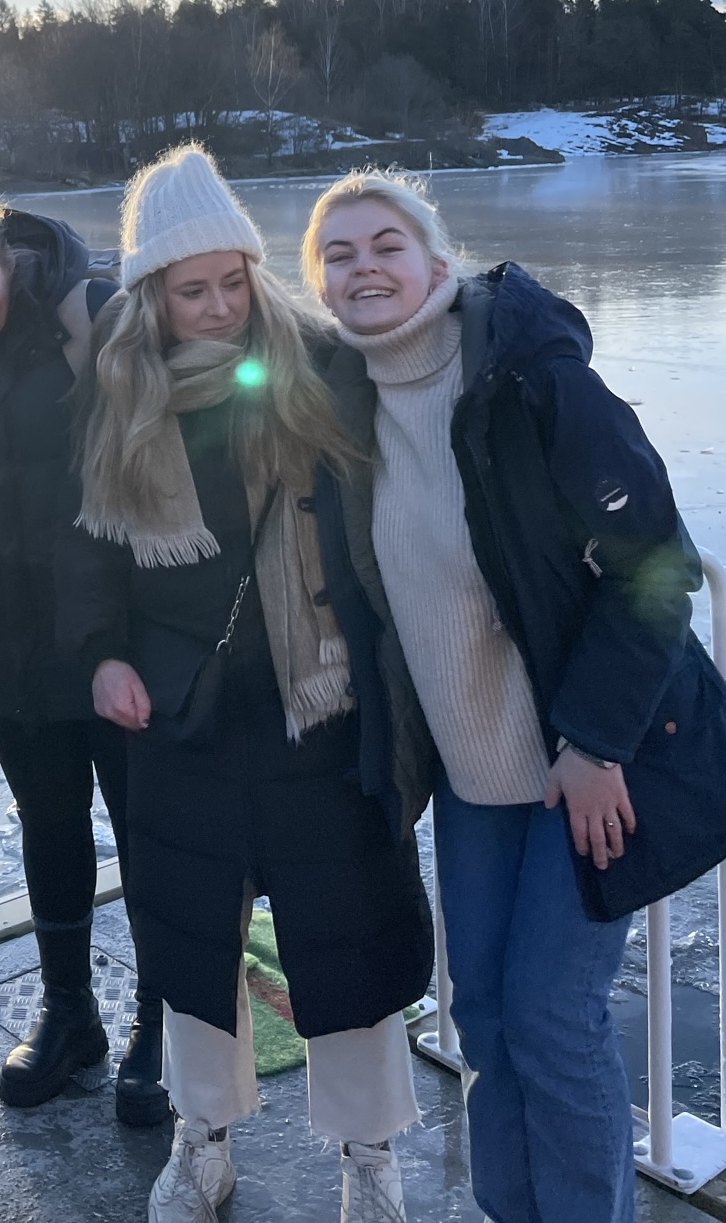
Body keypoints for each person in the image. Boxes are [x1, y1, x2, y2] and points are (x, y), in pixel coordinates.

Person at [305, 170, 726, 1223]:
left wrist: (594, 743)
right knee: (486, 1017)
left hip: (585, 755)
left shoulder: (530, 379)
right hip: (473, 767)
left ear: (438, 262)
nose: (365, 268)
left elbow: (658, 565)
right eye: (339, 254)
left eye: (386, 245)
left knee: (550, 1015)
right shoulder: (341, 407)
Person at [69, 146, 435, 1223]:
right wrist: (102, 653)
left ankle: (370, 1155)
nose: (221, 305)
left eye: (234, 279)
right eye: (193, 289)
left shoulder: (320, 360)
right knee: (192, 942)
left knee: (351, 936)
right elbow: (79, 546)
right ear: (152, 293)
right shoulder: (114, 390)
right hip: (185, 713)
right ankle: (203, 1140)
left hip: (322, 700)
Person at [0, 188, 169, 1123]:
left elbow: (158, 455)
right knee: (49, 822)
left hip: (118, 630)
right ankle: (70, 1012)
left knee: (144, 826)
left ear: (6, 262)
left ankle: (160, 1018)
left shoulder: (87, 316)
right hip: (3, 630)